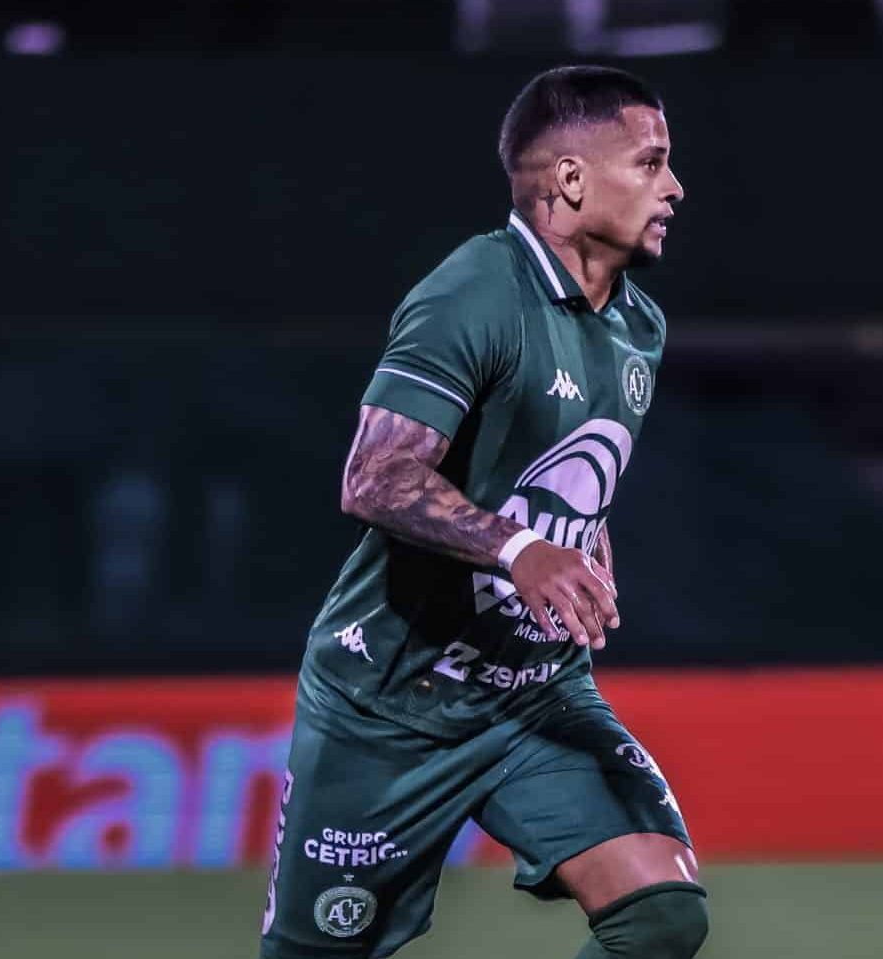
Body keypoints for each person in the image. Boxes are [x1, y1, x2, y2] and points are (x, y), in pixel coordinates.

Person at [257, 65, 702, 959]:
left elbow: (556, 469)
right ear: (570, 178)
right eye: (651, 162)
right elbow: (375, 475)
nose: (674, 187)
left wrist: (584, 541)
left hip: (534, 693)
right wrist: (522, 549)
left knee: (660, 914)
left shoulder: (637, 327)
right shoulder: (475, 291)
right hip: (392, 704)